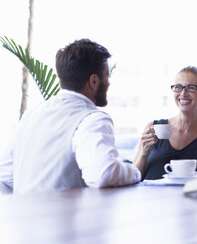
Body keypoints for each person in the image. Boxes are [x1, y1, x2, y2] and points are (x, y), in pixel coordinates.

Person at [0, 39, 141, 194]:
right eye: (107, 77)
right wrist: (135, 172)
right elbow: (104, 173)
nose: (108, 84)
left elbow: (5, 173)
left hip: (24, 216)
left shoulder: (32, 114)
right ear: (94, 81)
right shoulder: (91, 118)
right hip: (68, 217)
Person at [133, 66, 197, 180]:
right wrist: (143, 154)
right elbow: (133, 176)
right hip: (148, 197)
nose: (183, 93)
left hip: (185, 198)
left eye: (191, 87)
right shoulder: (153, 128)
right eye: (178, 87)